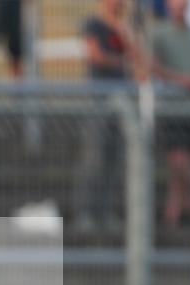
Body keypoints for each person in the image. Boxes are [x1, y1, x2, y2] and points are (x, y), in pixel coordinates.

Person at [72, 0, 138, 234]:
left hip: (121, 106)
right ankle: (85, 213)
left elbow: (136, 56)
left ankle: (107, 213)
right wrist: (122, 61)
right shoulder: (93, 24)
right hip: (98, 103)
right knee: (95, 159)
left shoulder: (124, 27)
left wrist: (124, 31)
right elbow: (96, 56)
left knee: (114, 161)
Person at [152, 0, 190, 229]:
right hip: (172, 108)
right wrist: (183, 81)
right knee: (179, 160)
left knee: (186, 160)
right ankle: (177, 207)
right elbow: (153, 67)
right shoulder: (159, 34)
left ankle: (180, 204)